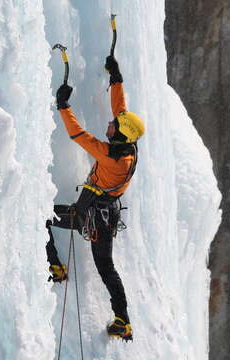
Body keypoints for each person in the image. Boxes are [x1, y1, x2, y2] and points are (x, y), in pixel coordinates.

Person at [46, 55, 144, 341]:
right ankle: (122, 321)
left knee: (42, 218)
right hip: (103, 214)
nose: (111, 124)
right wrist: (116, 77)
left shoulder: (111, 156)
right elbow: (121, 110)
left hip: (92, 215)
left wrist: (63, 106)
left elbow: (78, 135)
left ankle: (56, 267)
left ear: (118, 137)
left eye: (114, 126)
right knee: (107, 268)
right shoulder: (128, 146)